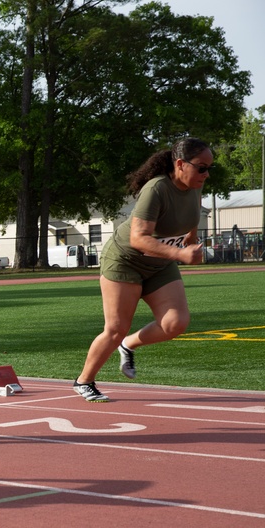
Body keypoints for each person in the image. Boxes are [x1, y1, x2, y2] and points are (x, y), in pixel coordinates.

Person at [73, 137, 211, 402]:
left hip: (160, 264)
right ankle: (84, 380)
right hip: (125, 260)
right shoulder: (157, 189)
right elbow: (138, 238)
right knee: (115, 329)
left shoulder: (195, 186)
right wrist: (180, 253)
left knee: (175, 323)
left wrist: (191, 240)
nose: (206, 174)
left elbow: (191, 217)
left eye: (208, 168)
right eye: (201, 167)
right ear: (180, 164)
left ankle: (129, 345)